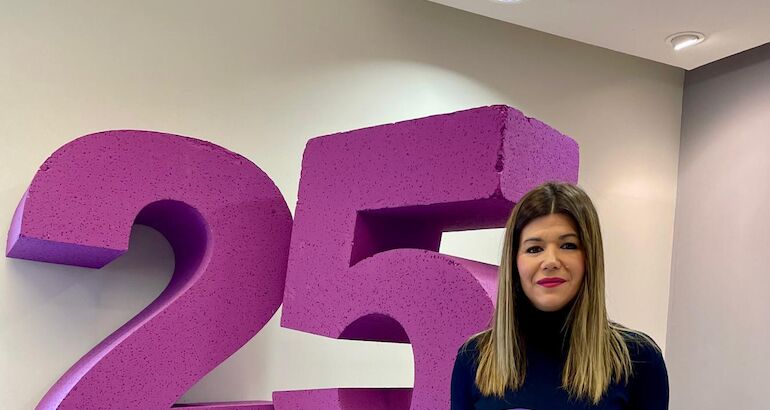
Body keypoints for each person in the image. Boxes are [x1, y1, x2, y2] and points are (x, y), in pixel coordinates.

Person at [450, 182, 668, 409]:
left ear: (590, 258)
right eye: (534, 249)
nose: (551, 261)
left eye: (568, 245)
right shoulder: (474, 359)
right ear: (514, 263)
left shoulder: (639, 359)